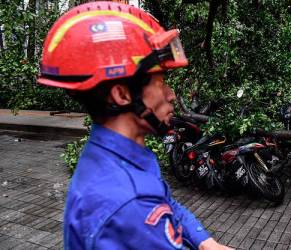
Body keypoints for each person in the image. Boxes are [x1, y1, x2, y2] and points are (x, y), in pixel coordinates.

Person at [37, 2, 232, 249]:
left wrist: (204, 242)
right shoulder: (131, 203)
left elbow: (165, 202)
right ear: (122, 95)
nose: (171, 95)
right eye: (160, 82)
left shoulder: (119, 157)